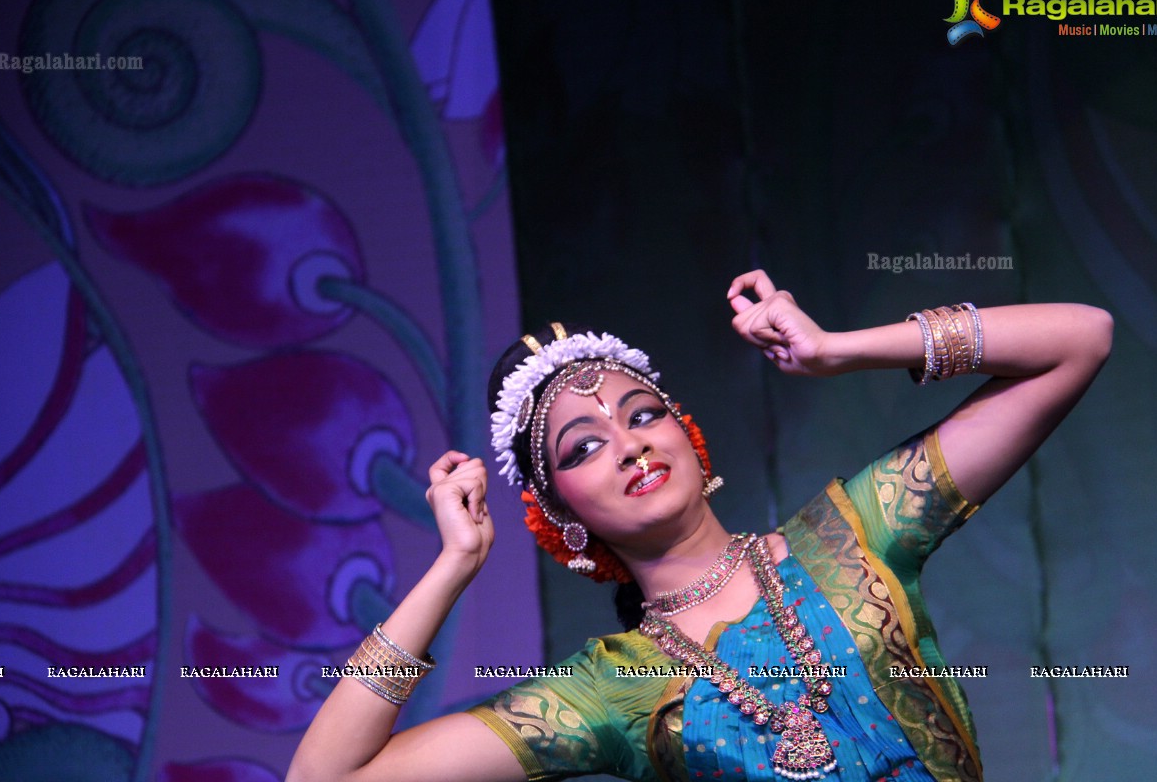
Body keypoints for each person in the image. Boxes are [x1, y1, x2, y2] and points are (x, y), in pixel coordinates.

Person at [286, 269, 1112, 782]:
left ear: (688, 435)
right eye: (583, 446)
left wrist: (838, 350)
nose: (629, 440)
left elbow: (1079, 339)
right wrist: (453, 567)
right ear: (561, 518)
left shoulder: (851, 537)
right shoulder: (604, 692)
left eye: (642, 411)